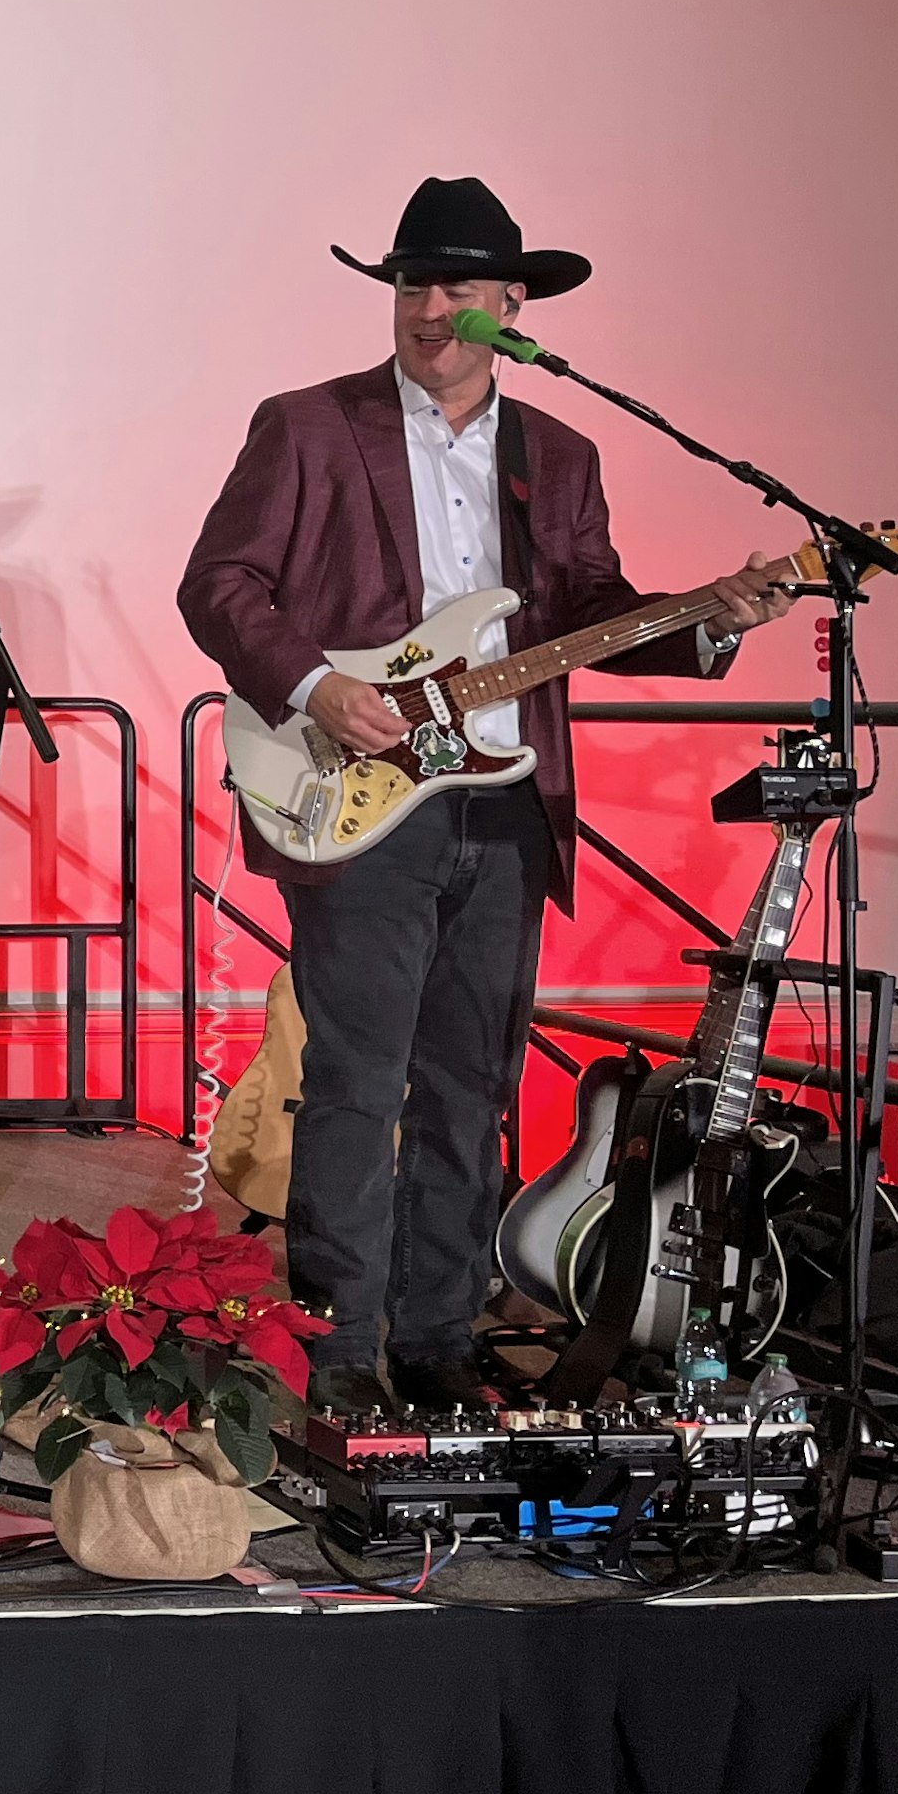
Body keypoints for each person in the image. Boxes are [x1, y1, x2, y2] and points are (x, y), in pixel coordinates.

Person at [177, 178, 794, 1416]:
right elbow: (220, 586)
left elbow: (592, 614)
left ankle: (438, 1336)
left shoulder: (558, 455)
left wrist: (708, 623)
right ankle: (341, 1348)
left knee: (473, 1080)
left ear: (514, 307)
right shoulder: (309, 426)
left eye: (458, 287)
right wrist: (314, 689)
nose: (430, 307)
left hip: (507, 808)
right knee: (358, 1079)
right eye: (414, 284)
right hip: (365, 801)